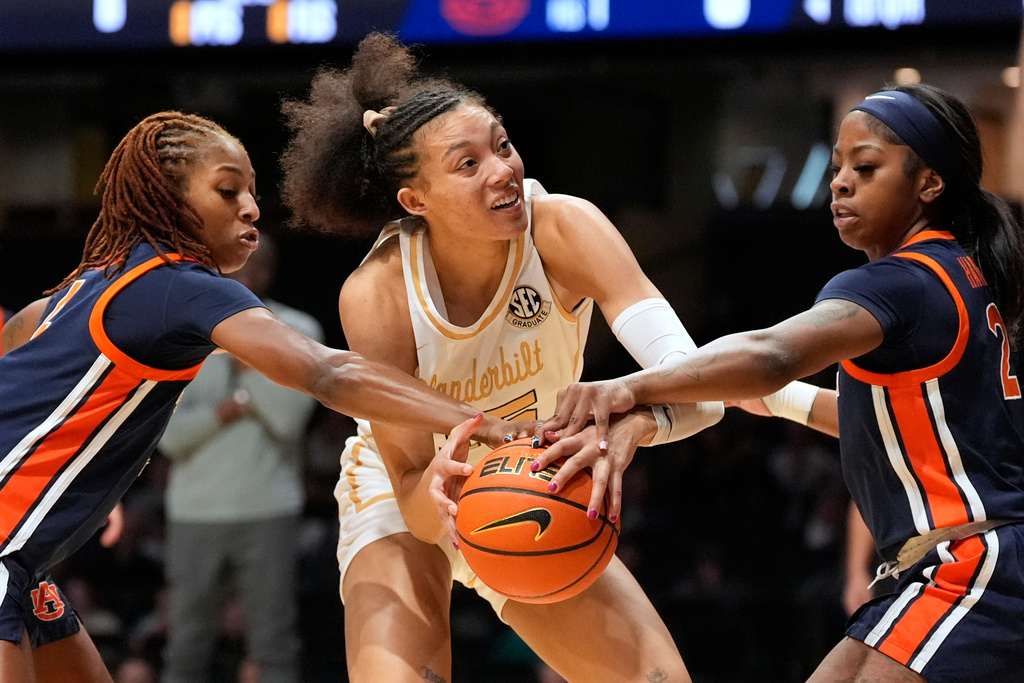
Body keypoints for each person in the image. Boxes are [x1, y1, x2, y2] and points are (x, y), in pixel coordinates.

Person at [524, 83, 1024, 682]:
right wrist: (789, 403)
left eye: (865, 168)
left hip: (972, 566)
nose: (840, 182)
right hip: (950, 566)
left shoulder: (898, 282)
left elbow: (772, 352)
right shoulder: (956, 272)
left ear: (930, 184)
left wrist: (630, 386)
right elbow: (906, 427)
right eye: (838, 167)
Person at [0, 110, 518, 682]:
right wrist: (484, 422)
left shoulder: (90, 284)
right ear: (170, 198)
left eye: (252, 191)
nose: (251, 207)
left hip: (26, 565)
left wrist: (72, 470)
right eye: (228, 190)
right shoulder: (177, 284)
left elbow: (19, 341)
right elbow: (328, 373)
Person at [278, 32, 723, 683]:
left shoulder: (567, 228)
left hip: (533, 475)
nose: (503, 169)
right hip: (410, 490)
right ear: (414, 200)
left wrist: (633, 426)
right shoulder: (377, 293)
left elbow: (702, 385)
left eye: (503, 144)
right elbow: (409, 486)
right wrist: (444, 495)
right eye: (467, 164)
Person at [158, 234, 323, 683]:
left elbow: (289, 419)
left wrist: (248, 350)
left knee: (273, 642)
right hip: (194, 511)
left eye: (244, 267)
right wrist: (227, 409)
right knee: (186, 643)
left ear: (264, 273)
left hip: (268, 508)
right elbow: (170, 438)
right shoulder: (183, 333)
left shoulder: (300, 331)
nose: (229, 276)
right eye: (222, 267)